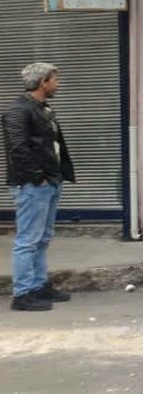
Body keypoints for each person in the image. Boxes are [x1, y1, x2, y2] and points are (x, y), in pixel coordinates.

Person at [3, 62, 75, 311]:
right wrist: (37, 177)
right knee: (28, 240)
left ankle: (38, 285)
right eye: (54, 79)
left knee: (42, 238)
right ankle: (22, 294)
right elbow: (17, 149)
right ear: (42, 82)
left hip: (50, 181)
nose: (58, 84)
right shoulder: (18, 110)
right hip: (32, 185)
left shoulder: (43, 108)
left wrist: (57, 175)